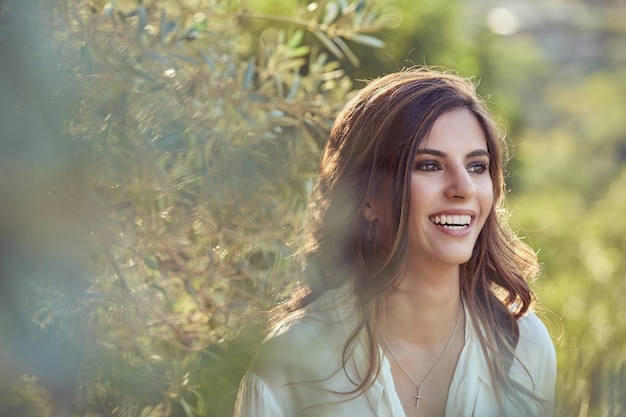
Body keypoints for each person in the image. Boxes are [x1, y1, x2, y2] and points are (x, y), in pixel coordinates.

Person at [233, 68, 556, 417]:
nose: (463, 188)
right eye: (429, 165)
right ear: (368, 196)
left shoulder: (525, 347)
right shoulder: (291, 362)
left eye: (477, 167)